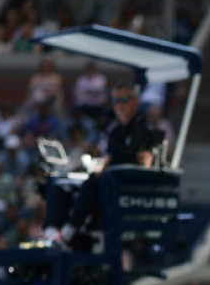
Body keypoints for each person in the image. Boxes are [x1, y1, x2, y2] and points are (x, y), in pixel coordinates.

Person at [45, 81, 160, 247]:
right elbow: (109, 157)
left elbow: (143, 162)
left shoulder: (144, 129)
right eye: (115, 101)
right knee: (61, 184)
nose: (119, 105)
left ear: (135, 101)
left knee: (92, 184)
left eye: (124, 100)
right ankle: (51, 232)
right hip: (106, 181)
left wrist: (110, 164)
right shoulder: (114, 130)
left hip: (124, 187)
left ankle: (69, 231)